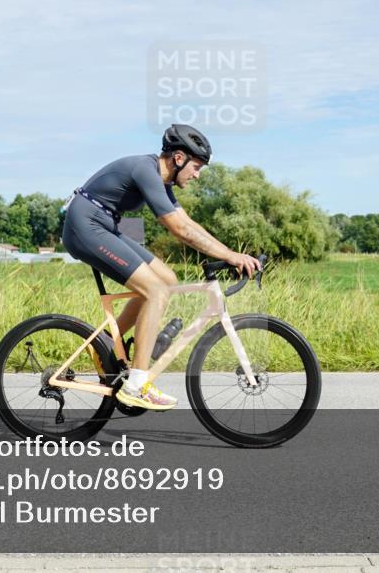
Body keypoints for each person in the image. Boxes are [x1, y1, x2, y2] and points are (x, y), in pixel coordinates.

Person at [61, 124, 262, 411]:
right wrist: (230, 256)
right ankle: (136, 385)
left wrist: (231, 253)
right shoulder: (146, 170)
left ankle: (104, 344)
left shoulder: (161, 181)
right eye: (196, 166)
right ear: (178, 158)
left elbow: (188, 222)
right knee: (154, 290)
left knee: (167, 278)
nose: (197, 175)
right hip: (86, 226)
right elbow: (178, 229)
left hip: (104, 224)